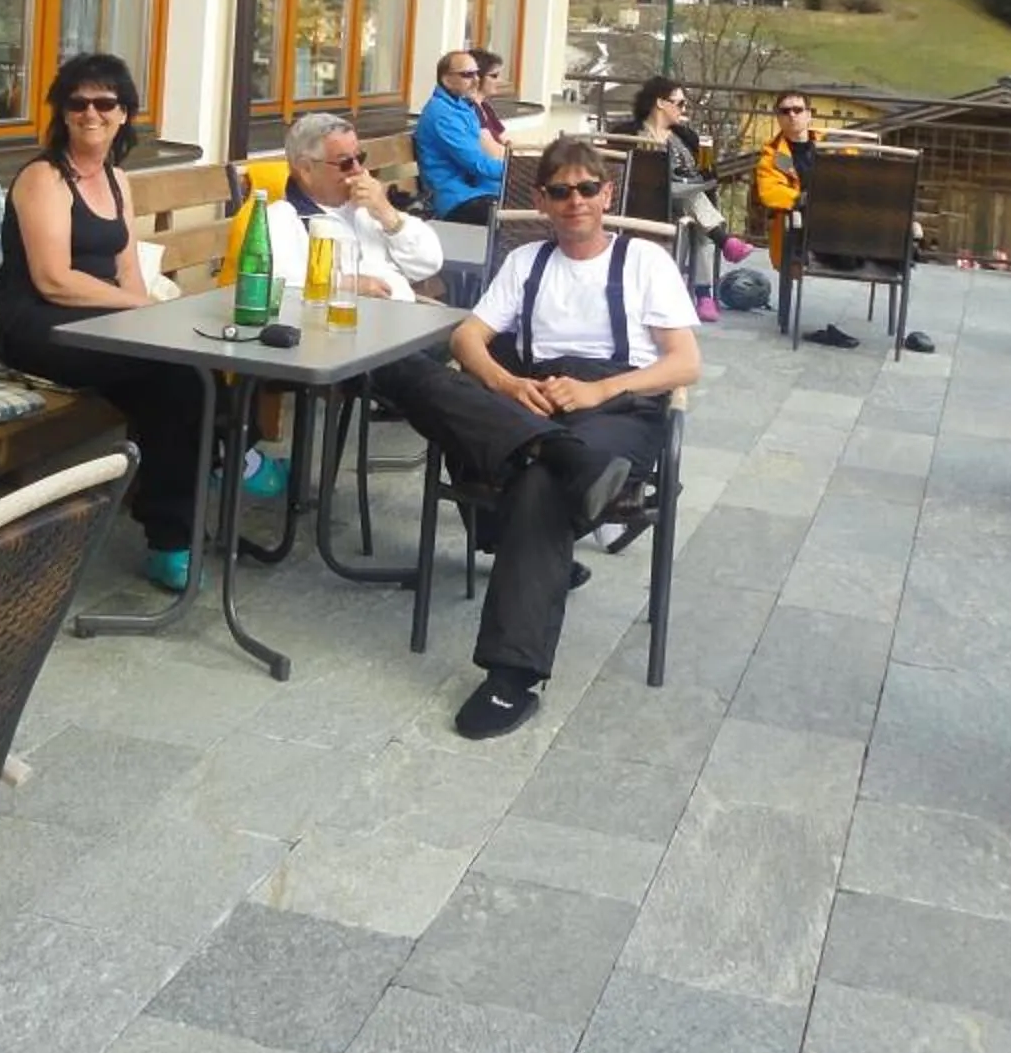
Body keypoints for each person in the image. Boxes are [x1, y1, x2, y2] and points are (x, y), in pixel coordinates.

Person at [365, 134, 700, 740]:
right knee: (404, 369)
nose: (576, 201)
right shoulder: (525, 262)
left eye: (587, 189)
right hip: (533, 396)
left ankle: (511, 677)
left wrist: (598, 391)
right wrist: (507, 384)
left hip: (616, 404)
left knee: (538, 481)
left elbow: (684, 363)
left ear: (607, 195)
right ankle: (551, 448)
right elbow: (468, 337)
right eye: (560, 192)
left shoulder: (644, 262)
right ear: (542, 201)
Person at [0, 51, 209, 592]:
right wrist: (141, 312)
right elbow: (53, 280)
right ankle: (173, 536)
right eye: (77, 103)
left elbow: (127, 270)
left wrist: (152, 319)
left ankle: (205, 478)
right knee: (175, 379)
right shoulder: (44, 178)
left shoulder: (116, 179)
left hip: (99, 321)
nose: (91, 113)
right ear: (62, 113)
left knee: (192, 366)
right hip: (38, 325)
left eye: (105, 103)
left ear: (124, 113)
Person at [262, 111, 447, 299]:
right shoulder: (281, 219)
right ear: (306, 169)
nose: (358, 170)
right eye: (345, 163)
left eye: (360, 158)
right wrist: (346, 285)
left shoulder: (370, 207)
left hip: (402, 309)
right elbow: (275, 284)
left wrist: (389, 215)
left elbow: (429, 263)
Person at [627, 75, 723, 322]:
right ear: (660, 103)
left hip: (681, 198)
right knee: (695, 206)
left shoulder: (684, 136)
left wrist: (705, 172)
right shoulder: (631, 134)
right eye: (680, 103)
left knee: (693, 208)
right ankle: (705, 291)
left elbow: (704, 171)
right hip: (645, 202)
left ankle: (703, 293)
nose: (683, 109)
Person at [750, 92, 820, 334]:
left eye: (798, 109)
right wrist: (805, 200)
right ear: (778, 118)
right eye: (785, 111)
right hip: (800, 229)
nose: (792, 115)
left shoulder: (832, 146)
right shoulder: (772, 157)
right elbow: (771, 194)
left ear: (809, 115)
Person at [415, 50, 507, 220]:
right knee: (525, 210)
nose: (476, 80)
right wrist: (514, 173)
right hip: (456, 199)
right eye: (467, 75)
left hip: (476, 191)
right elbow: (476, 164)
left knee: (536, 201)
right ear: (447, 80)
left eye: (477, 73)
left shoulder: (460, 106)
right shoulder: (442, 115)